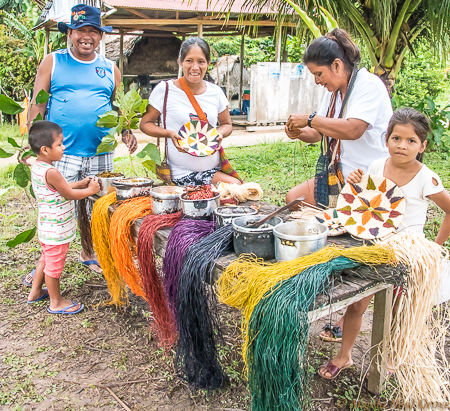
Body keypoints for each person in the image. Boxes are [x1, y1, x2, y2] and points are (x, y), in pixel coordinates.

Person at [318, 108, 450, 379]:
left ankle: (390, 358)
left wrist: (436, 247)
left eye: (411, 141)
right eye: (396, 138)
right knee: (356, 304)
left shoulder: (427, 177)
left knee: (398, 309)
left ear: (423, 145)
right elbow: (367, 201)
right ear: (386, 139)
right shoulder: (378, 166)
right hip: (375, 243)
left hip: (407, 250)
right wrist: (355, 183)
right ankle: (344, 356)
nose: (402, 145)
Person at [25, 4, 137, 281]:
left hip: (101, 151)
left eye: (93, 31)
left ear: (101, 36)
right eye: (80, 30)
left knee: (95, 204)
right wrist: (31, 143)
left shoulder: (110, 68)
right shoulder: (53, 61)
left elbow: (120, 106)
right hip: (62, 152)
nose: (86, 36)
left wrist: (126, 131)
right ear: (70, 33)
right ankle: (44, 265)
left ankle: (88, 252)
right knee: (56, 207)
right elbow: (38, 103)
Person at [285, 28, 392, 206]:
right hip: (339, 173)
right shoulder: (333, 91)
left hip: (367, 176)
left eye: (319, 74)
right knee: (293, 200)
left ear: (336, 65)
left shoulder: (369, 85)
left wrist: (310, 119)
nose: (317, 81)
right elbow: (318, 133)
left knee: (343, 222)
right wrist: (298, 132)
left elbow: (353, 130)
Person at [140, 37, 240, 186]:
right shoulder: (165, 89)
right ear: (181, 61)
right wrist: (169, 133)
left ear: (208, 63)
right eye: (189, 61)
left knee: (238, 191)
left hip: (213, 170)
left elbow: (227, 124)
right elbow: (145, 124)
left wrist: (220, 133)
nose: (195, 67)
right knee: (230, 190)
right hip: (180, 174)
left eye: (201, 61)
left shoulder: (216, 92)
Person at [27, 121, 100, 314]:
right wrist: (90, 189)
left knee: (45, 259)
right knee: (53, 267)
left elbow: (60, 189)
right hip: (56, 231)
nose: (63, 148)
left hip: (47, 227)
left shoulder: (40, 167)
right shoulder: (51, 171)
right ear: (45, 149)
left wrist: (80, 183)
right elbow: (68, 194)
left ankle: (35, 292)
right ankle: (56, 302)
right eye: (59, 144)